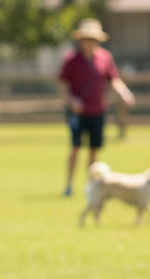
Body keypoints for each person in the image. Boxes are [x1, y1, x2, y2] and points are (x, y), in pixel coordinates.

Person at [57, 18, 135, 196]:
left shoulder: (105, 58)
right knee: (75, 147)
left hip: (97, 110)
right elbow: (62, 84)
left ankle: (90, 185)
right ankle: (69, 184)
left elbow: (114, 79)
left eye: (93, 39)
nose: (89, 42)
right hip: (77, 112)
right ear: (81, 40)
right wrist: (71, 101)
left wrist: (124, 93)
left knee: (93, 150)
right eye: (86, 39)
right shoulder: (72, 59)